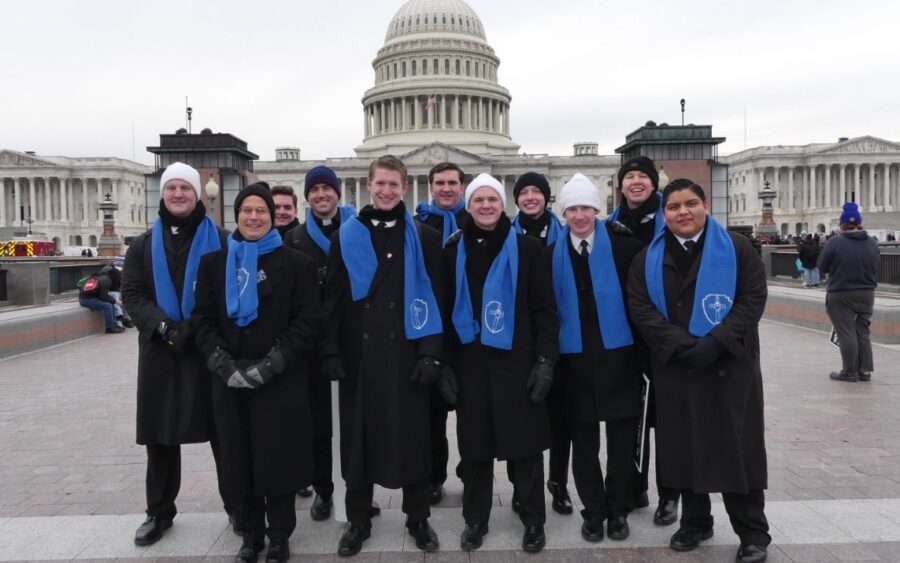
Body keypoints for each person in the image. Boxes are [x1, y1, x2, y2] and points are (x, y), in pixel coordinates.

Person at [627, 179, 770, 563]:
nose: (683, 212)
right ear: (664, 214)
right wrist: (680, 344)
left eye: (690, 203)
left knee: (736, 450)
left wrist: (716, 342)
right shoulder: (647, 258)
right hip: (679, 367)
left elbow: (753, 299)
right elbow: (640, 307)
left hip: (728, 366)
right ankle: (695, 521)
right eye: (674, 207)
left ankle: (752, 531)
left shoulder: (738, 249)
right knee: (685, 449)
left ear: (704, 205)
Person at [323, 155, 445, 556]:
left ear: (405, 188)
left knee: (414, 440)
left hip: (409, 354)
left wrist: (431, 353)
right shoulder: (346, 237)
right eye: (381, 184)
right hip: (362, 357)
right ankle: (358, 520)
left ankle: (418, 518)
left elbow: (437, 298)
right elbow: (333, 301)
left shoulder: (425, 237)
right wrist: (332, 351)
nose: (387, 191)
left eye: (395, 184)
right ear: (369, 185)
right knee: (359, 445)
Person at [192, 182, 321, 563]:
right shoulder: (214, 265)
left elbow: (307, 322)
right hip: (229, 380)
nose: (254, 217)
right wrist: (223, 364)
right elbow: (202, 320)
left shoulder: (298, 264)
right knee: (237, 458)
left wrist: (271, 364)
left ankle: (280, 535)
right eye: (247, 210)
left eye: (261, 211)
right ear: (237, 216)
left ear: (272, 216)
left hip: (278, 379)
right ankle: (250, 534)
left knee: (277, 459)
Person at [442, 173, 559, 554]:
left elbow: (544, 310)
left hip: (517, 359)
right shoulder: (453, 249)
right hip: (470, 362)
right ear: (469, 205)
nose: (486, 206)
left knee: (524, 447)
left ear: (502, 204)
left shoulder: (527, 249)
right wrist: (444, 364)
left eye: (493, 199)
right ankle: (475, 519)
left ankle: (533, 518)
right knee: (474, 449)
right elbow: (444, 312)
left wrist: (545, 360)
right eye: (479, 200)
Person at [121, 162, 231, 546]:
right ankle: (159, 512)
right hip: (161, 352)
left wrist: (197, 329)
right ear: (164, 194)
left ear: (197, 194)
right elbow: (132, 295)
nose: (178, 194)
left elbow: (227, 295)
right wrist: (165, 326)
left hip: (207, 350)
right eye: (172, 188)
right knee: (161, 438)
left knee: (224, 434)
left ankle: (237, 507)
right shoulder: (141, 244)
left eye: (185, 187)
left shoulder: (221, 239)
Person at [549, 173, 644, 542]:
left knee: (621, 444)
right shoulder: (550, 255)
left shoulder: (625, 247)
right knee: (584, 445)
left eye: (586, 207)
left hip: (619, 360)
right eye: (572, 208)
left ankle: (618, 511)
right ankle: (593, 511)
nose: (580, 215)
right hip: (574, 363)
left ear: (597, 210)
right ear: (564, 213)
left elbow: (640, 302)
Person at [283, 165, 358, 518]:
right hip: (312, 346)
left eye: (327, 189)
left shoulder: (359, 232)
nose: (321, 195)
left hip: (353, 340)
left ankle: (358, 488)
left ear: (337, 194)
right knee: (318, 425)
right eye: (315, 190)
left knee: (357, 421)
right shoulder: (294, 238)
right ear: (307, 196)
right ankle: (324, 490)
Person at [610, 155, 680, 525]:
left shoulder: (670, 221)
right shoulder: (609, 224)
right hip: (625, 336)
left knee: (667, 418)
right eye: (629, 176)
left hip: (662, 331)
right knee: (632, 415)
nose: (636, 182)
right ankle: (635, 486)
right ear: (620, 185)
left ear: (654, 183)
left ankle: (671, 492)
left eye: (643, 177)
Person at [510, 171, 571, 516]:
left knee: (561, 420)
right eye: (524, 192)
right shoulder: (505, 235)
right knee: (518, 418)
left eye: (537, 191)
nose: (530, 197)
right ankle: (522, 488)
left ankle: (558, 483)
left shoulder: (568, 232)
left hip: (562, 335)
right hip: (521, 341)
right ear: (516, 198)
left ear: (547, 197)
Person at [414, 161, 468, 505]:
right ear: (430, 186)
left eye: (452, 182)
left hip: (468, 334)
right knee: (430, 416)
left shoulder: (479, 218)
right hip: (432, 330)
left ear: (463, 186)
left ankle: (471, 476)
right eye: (440, 183)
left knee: (471, 415)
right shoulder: (417, 227)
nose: (446, 189)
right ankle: (433, 477)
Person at [818, 202, 880, 382]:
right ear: (860, 223)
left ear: (842, 224)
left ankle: (850, 371)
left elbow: (822, 266)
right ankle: (864, 371)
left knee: (846, 332)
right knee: (863, 331)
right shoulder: (872, 243)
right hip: (867, 293)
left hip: (841, 293)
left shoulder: (835, 242)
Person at [79, 268, 125, 333]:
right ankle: (110, 328)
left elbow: (102, 295)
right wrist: (116, 301)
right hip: (86, 300)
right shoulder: (106, 280)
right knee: (108, 305)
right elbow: (103, 297)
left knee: (110, 304)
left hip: (90, 298)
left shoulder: (102, 277)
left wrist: (114, 301)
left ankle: (114, 325)